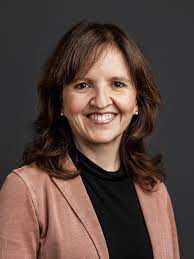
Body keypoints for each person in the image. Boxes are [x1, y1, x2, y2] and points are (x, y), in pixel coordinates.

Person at [0, 20, 180, 259]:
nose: (101, 101)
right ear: (60, 101)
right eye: (83, 85)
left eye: (117, 84)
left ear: (137, 101)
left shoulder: (156, 192)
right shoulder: (26, 189)